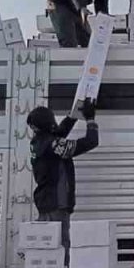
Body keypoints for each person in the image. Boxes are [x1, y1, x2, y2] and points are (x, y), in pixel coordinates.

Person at [27, 100, 99, 246]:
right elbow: (90, 142)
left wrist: (74, 115)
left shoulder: (39, 141)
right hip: (56, 203)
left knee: (47, 247)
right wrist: (90, 119)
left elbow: (58, 132)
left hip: (46, 202)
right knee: (59, 248)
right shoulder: (53, 146)